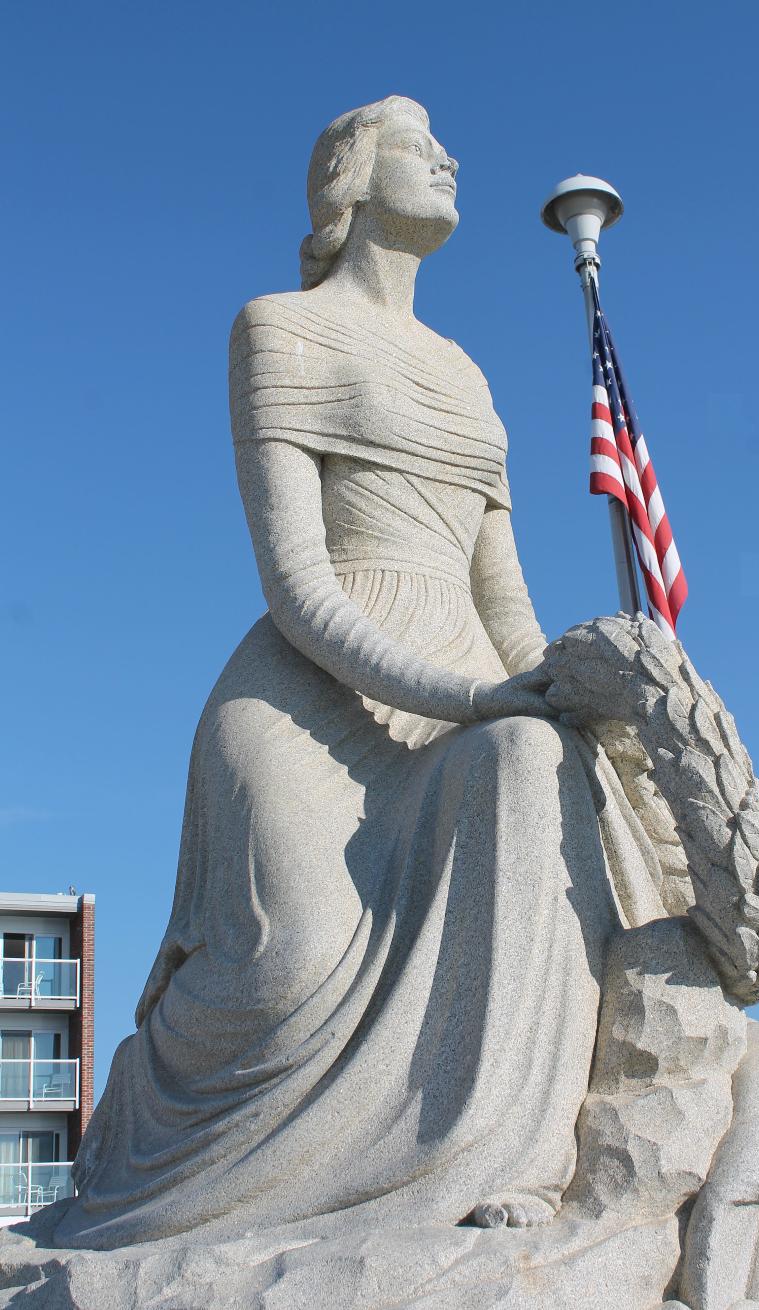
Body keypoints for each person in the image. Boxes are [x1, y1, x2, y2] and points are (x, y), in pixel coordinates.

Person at [50, 95, 669, 1251]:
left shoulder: (469, 376)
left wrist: (563, 691)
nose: (446, 156)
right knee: (282, 977)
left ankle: (497, 1151)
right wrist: (476, 696)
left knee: (539, 764)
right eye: (413, 142)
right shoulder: (277, 329)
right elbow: (299, 584)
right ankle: (147, 1160)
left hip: (469, 684)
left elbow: (503, 600)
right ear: (347, 176)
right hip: (311, 694)